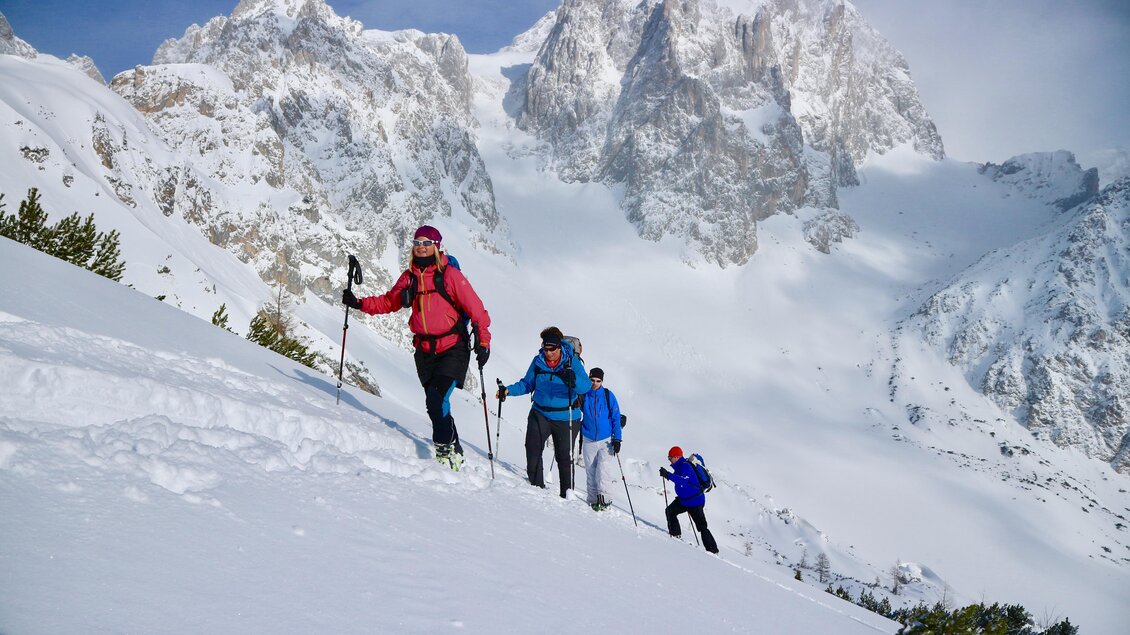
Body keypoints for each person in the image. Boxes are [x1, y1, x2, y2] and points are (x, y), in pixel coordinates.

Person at [342, 225, 491, 470]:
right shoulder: (409, 277)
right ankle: (453, 442)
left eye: (426, 242)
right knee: (436, 403)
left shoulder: (450, 275)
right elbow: (389, 302)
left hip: (453, 348)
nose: (421, 247)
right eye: (417, 242)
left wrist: (483, 342)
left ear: (437, 246)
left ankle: (443, 452)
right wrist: (359, 303)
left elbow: (477, 310)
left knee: (436, 399)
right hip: (424, 351)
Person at [497, 326, 589, 498]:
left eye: (552, 349)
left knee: (564, 458)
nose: (548, 353)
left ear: (559, 347)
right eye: (546, 349)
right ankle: (536, 489)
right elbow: (527, 383)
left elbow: (585, 387)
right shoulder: (538, 361)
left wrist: (573, 379)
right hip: (540, 413)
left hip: (566, 416)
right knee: (532, 449)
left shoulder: (572, 363)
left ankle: (567, 496)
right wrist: (508, 390)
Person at [660, 446, 719, 554]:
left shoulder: (685, 467)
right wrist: (668, 474)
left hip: (695, 502)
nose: (669, 460)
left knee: (702, 527)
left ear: (676, 457)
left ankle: (713, 551)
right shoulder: (679, 467)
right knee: (670, 511)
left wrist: (668, 475)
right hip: (684, 500)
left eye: (670, 457)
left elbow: (682, 481)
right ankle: (675, 535)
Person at [579, 367, 622, 511]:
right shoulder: (584, 395)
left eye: (598, 381)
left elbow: (616, 417)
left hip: (606, 439)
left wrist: (617, 439)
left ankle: (604, 499)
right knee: (591, 471)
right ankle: (592, 500)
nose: (595, 383)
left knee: (603, 469)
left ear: (602, 381)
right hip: (588, 439)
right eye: (592, 380)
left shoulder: (608, 395)